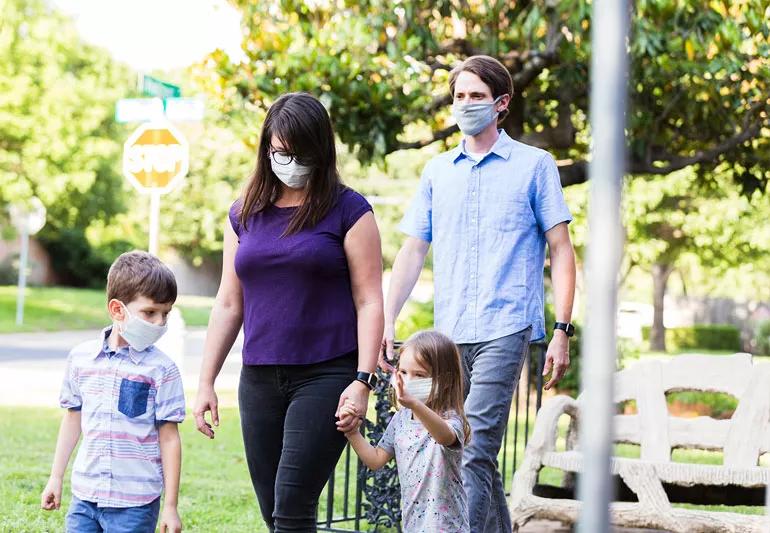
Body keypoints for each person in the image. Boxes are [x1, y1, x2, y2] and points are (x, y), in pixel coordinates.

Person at [382, 55, 577, 533]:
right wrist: (388, 320)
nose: (465, 105)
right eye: (459, 96)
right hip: (448, 337)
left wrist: (562, 330)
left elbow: (562, 248)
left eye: (476, 96)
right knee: (475, 457)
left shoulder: (534, 166)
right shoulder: (436, 172)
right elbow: (412, 251)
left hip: (505, 327)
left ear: (501, 103)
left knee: (471, 448)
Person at [193, 92, 384, 532]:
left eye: (298, 152)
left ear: (320, 150)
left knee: (292, 505)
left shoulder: (350, 211)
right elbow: (228, 301)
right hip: (259, 378)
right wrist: (206, 381)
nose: (288, 161)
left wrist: (362, 381)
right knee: (273, 512)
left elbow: (369, 300)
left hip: (326, 374)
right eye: (279, 151)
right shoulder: (244, 214)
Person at [40, 251, 185, 533]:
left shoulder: (163, 370)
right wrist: (55, 477)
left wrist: (170, 506)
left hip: (136, 505)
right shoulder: (81, 360)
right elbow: (73, 420)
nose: (160, 323)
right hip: (85, 498)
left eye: (165, 313)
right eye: (150, 312)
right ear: (118, 310)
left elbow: (169, 439)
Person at [342, 330, 470, 533]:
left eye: (419, 375)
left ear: (444, 381)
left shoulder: (450, 419)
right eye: (403, 372)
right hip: (413, 525)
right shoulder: (401, 419)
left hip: (447, 527)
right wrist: (352, 432)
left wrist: (415, 404)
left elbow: (445, 436)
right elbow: (376, 459)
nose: (408, 381)